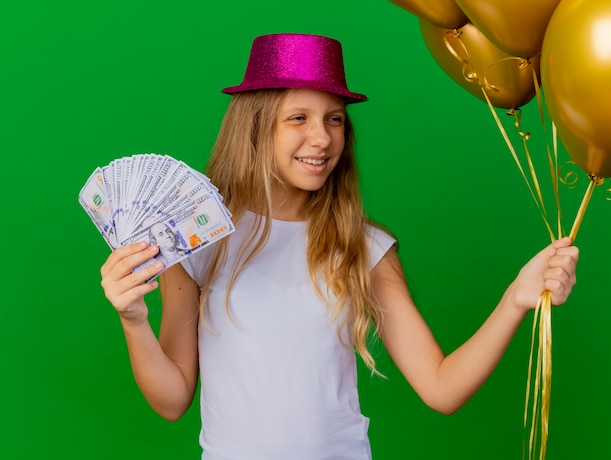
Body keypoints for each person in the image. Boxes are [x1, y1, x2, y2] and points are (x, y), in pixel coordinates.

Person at [99, 33, 579, 460]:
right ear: (255, 127)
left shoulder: (364, 247)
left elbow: (441, 388)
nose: (322, 137)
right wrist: (133, 319)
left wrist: (517, 296)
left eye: (334, 119)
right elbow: (171, 399)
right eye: (299, 117)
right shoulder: (200, 240)